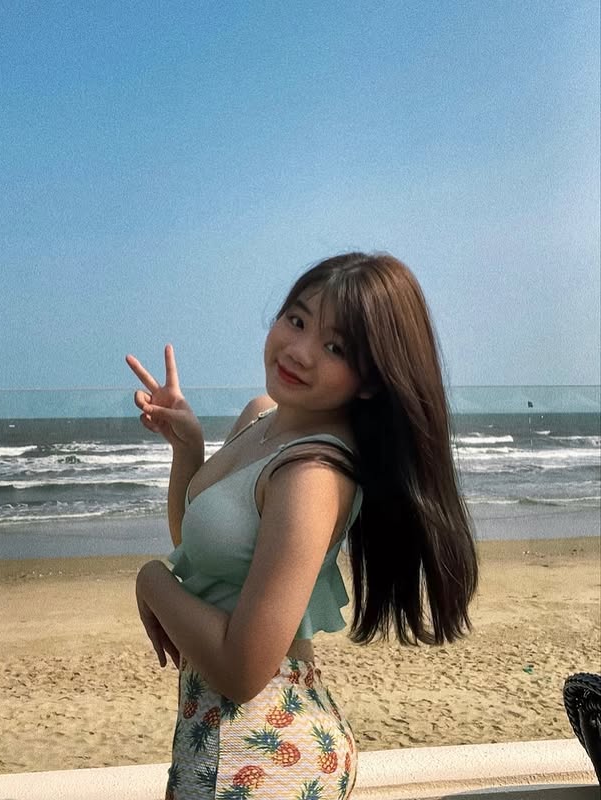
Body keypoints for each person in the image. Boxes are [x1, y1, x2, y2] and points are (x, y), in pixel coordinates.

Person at [126, 251, 479, 800]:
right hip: (219, 742)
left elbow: (243, 669)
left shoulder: (312, 474)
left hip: (260, 755)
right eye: (296, 320)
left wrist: (151, 580)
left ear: (370, 380)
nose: (299, 350)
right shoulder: (261, 417)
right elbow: (204, 557)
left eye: (335, 348)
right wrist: (187, 448)